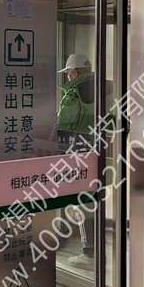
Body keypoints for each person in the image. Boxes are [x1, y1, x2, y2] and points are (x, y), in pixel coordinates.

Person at [57, 53, 96, 271]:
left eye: (69, 72)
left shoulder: (73, 93)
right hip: (99, 150)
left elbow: (64, 125)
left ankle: (89, 253)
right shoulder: (105, 88)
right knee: (93, 199)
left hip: (77, 152)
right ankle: (95, 247)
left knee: (83, 201)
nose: (68, 76)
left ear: (76, 71)